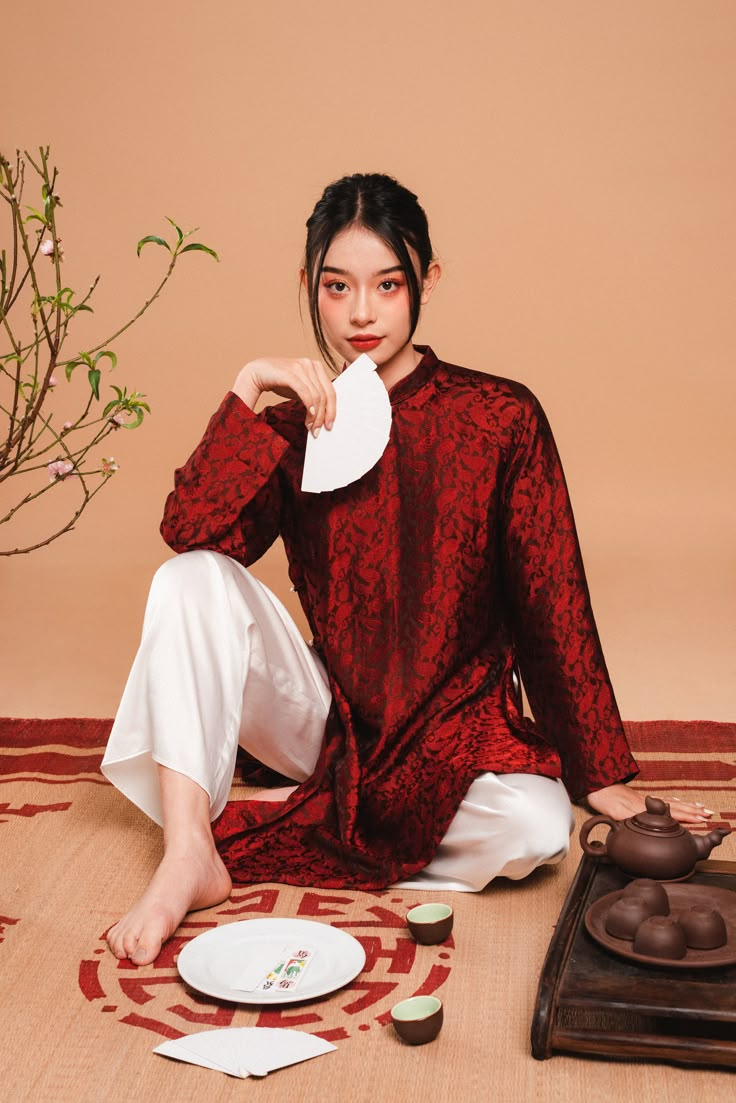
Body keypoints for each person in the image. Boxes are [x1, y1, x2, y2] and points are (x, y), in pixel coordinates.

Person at [101, 173, 711, 966]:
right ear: (309, 288)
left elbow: (550, 601)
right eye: (337, 286)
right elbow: (191, 530)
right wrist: (251, 385)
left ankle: (330, 819)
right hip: (330, 723)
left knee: (538, 827)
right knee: (186, 578)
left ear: (426, 280)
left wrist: (601, 774)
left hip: (457, 729)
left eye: (387, 284)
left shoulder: (502, 417)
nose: (361, 312)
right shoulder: (289, 427)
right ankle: (190, 853)